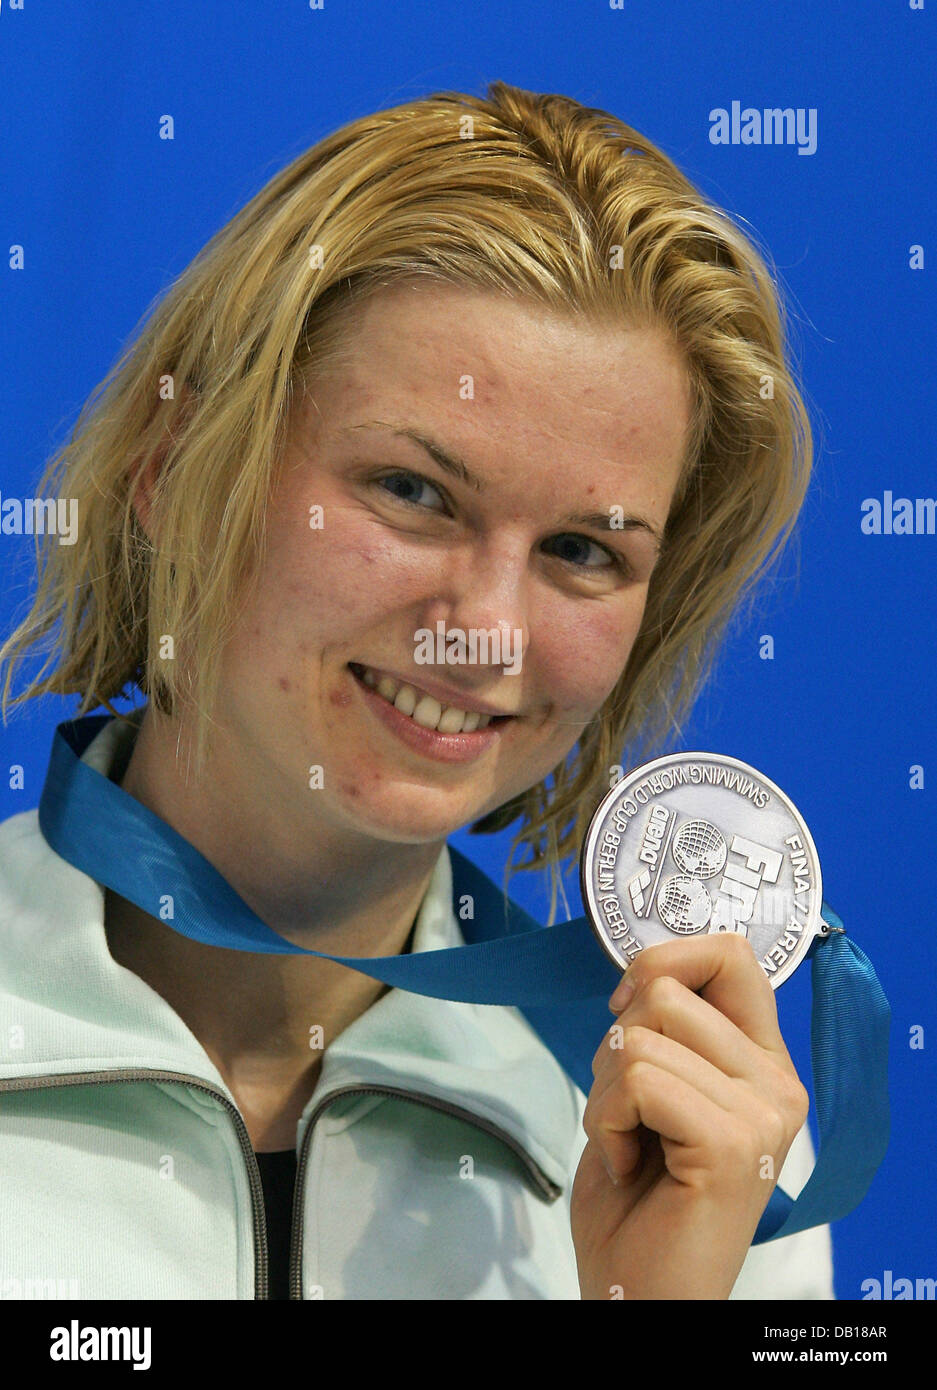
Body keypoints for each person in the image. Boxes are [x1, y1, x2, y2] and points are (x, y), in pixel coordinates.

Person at [0, 80, 832, 1300]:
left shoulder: (693, 1135)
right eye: (414, 492)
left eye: (583, 552)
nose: (486, 633)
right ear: (174, 470)